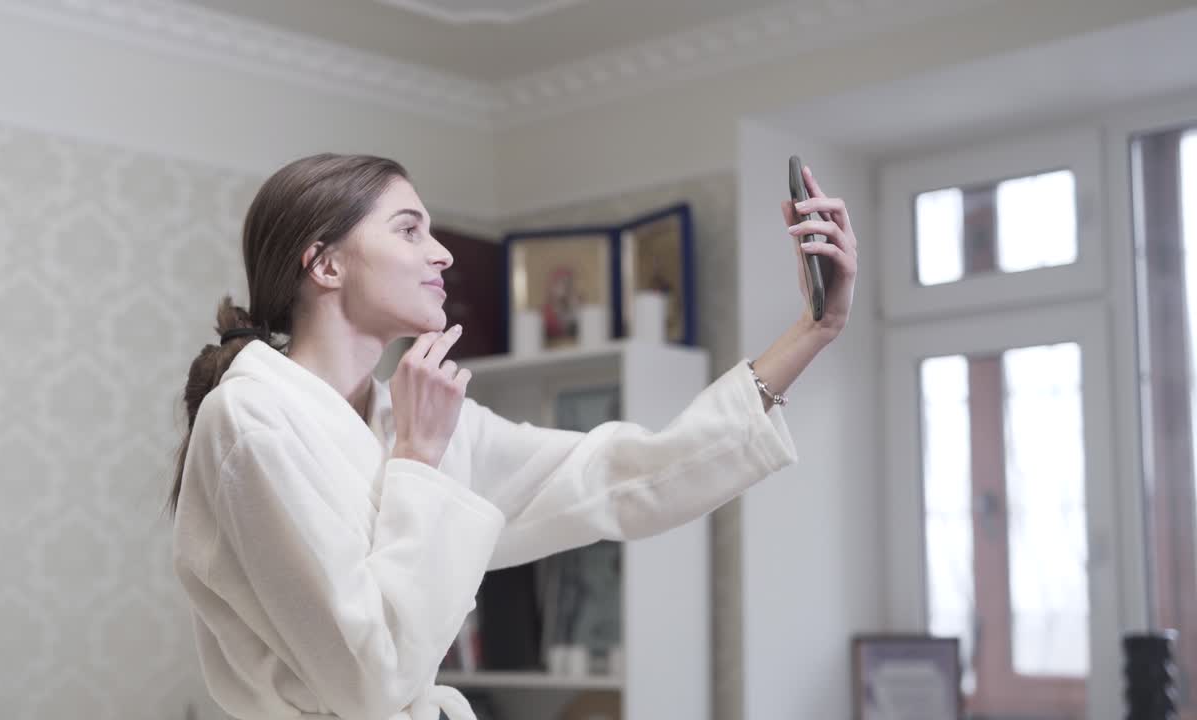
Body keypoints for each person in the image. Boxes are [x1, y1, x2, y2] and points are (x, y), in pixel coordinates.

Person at [168, 153, 859, 720]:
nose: (440, 253)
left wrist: (812, 330)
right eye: (409, 230)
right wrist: (418, 459)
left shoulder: (408, 417)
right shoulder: (252, 421)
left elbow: (621, 476)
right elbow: (366, 683)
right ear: (325, 264)